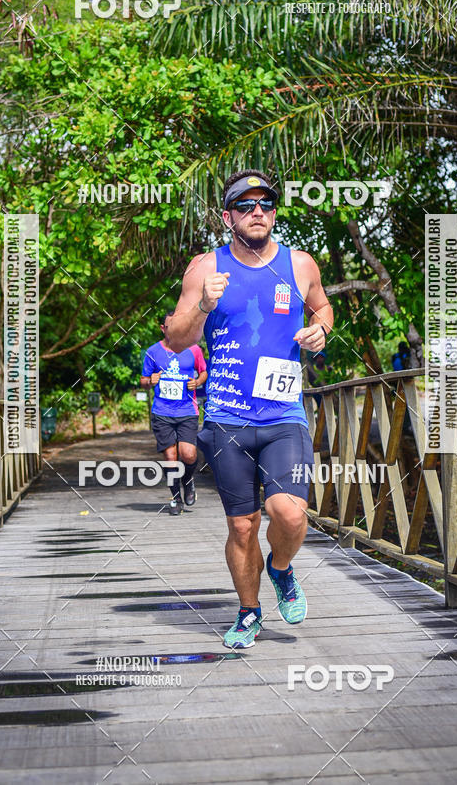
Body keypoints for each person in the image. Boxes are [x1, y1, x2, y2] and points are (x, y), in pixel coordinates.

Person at [167, 169, 333, 648]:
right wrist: (201, 304)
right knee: (242, 525)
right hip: (225, 418)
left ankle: (281, 569)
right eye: (245, 205)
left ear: (274, 213)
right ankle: (249, 613)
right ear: (228, 217)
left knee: (290, 514)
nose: (256, 211)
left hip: (283, 416)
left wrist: (320, 331)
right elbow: (177, 339)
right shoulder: (204, 268)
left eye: (265, 204)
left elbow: (323, 309)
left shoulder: (300, 265)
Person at [140, 311, 208, 514]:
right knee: (171, 457)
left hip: (187, 409)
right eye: (170, 327)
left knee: (188, 454)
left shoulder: (194, 349)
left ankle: (188, 481)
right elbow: (143, 380)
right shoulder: (153, 352)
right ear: (163, 328)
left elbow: (203, 371)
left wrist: (198, 382)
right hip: (162, 412)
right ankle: (176, 498)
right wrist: (149, 381)